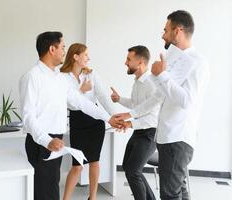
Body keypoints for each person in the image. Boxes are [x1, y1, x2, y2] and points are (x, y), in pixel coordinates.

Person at [116, 10, 210, 200]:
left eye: (165, 30)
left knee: (170, 195)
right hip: (166, 138)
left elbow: (186, 101)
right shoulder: (174, 59)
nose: (163, 34)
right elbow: (159, 97)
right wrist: (130, 114)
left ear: (178, 31)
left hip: (178, 138)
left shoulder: (197, 62)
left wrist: (162, 76)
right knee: (178, 192)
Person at [19, 31, 122, 200]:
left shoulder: (59, 78)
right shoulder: (32, 77)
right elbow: (28, 116)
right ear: (52, 49)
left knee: (52, 187)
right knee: (42, 191)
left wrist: (108, 118)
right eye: (62, 47)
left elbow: (79, 102)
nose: (64, 52)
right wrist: (47, 141)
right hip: (41, 141)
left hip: (56, 140)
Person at [60, 43, 117, 200]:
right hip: (78, 122)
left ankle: (92, 198)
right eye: (85, 55)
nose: (89, 58)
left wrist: (115, 117)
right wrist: (81, 91)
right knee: (77, 165)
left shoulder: (91, 75)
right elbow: (68, 102)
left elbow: (104, 97)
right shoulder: (62, 77)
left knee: (94, 161)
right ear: (75, 56)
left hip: (95, 122)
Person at [110, 45, 160, 200]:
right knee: (129, 167)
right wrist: (119, 100)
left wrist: (130, 123)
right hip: (139, 131)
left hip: (150, 133)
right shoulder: (138, 81)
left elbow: (152, 116)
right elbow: (136, 105)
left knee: (133, 170)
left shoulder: (151, 84)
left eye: (128, 59)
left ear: (140, 63)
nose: (126, 62)